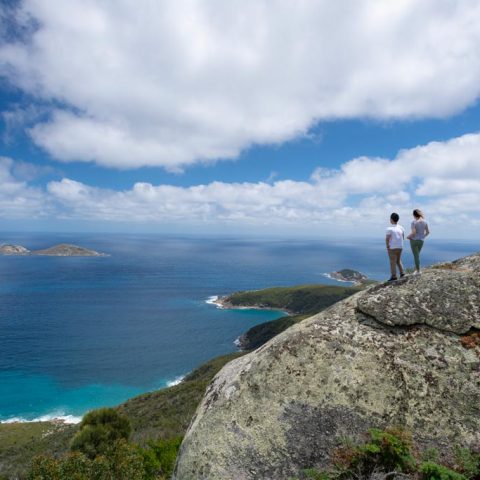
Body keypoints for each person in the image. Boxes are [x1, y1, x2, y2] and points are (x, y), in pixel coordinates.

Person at [407, 208, 430, 274]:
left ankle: (418, 271)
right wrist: (423, 237)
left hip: (414, 241)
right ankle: (417, 269)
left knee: (416, 256)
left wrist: (408, 237)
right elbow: (428, 232)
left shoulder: (413, 222)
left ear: (414, 215)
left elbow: (414, 232)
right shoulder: (425, 222)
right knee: (417, 255)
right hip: (421, 241)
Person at [386, 212, 405, 282]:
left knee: (392, 262)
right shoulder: (401, 227)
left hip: (392, 247)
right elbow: (403, 237)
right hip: (400, 246)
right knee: (398, 260)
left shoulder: (389, 229)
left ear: (391, 219)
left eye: (390, 219)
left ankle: (394, 276)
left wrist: (387, 246)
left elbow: (387, 238)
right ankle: (402, 273)